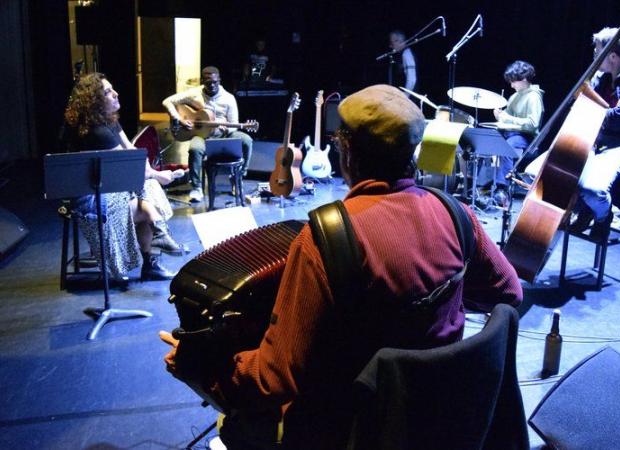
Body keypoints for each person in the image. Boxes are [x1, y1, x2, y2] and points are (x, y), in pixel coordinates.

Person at [160, 85, 522, 449]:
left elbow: (275, 378)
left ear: (347, 150)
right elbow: (508, 292)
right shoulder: (456, 214)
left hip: (351, 430)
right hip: (440, 419)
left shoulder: (325, 240)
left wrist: (201, 368)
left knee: (238, 425)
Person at [63, 73, 176, 280]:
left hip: (112, 186)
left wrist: (153, 174)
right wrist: (158, 176)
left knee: (149, 189)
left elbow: (133, 152)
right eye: (107, 92)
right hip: (94, 198)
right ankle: (157, 238)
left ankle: (156, 244)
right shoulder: (97, 131)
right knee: (148, 197)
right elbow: (129, 168)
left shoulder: (110, 121)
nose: (116, 94)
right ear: (94, 100)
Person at [570, 27, 620, 235]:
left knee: (593, 189)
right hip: (594, 139)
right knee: (537, 173)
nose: (595, 57)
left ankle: (604, 217)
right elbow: (579, 103)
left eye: (598, 52)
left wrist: (594, 110)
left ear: (613, 56)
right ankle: (587, 210)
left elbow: (618, 119)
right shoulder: (602, 76)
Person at [162, 66, 254, 202]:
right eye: (208, 82)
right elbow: (167, 101)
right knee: (195, 149)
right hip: (202, 136)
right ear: (202, 81)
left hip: (224, 136)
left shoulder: (229, 98)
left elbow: (234, 123)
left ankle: (238, 178)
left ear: (219, 80)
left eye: (215, 82)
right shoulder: (194, 94)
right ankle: (197, 187)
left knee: (247, 141)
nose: (212, 85)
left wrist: (226, 129)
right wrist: (178, 118)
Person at [492, 60, 544, 206]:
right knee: (490, 140)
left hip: (526, 138)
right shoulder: (514, 97)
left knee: (507, 147)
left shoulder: (534, 96)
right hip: (511, 134)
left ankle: (502, 188)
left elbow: (533, 124)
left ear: (524, 79)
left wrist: (507, 118)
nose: (511, 85)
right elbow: (507, 119)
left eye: (513, 81)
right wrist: (500, 116)